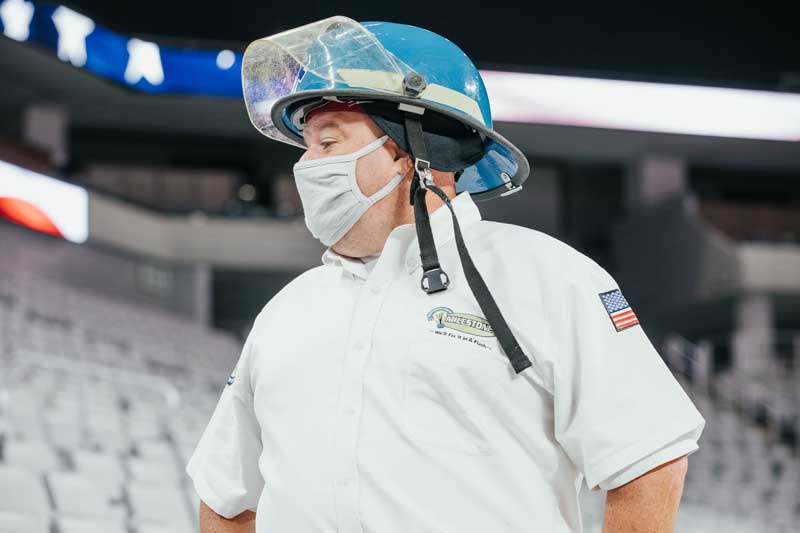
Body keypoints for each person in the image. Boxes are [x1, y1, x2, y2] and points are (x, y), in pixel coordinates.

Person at [186, 17, 705, 533]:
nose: (306, 166)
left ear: (406, 150)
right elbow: (226, 498)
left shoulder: (550, 277)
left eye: (327, 142)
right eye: (305, 147)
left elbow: (650, 461)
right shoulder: (287, 311)